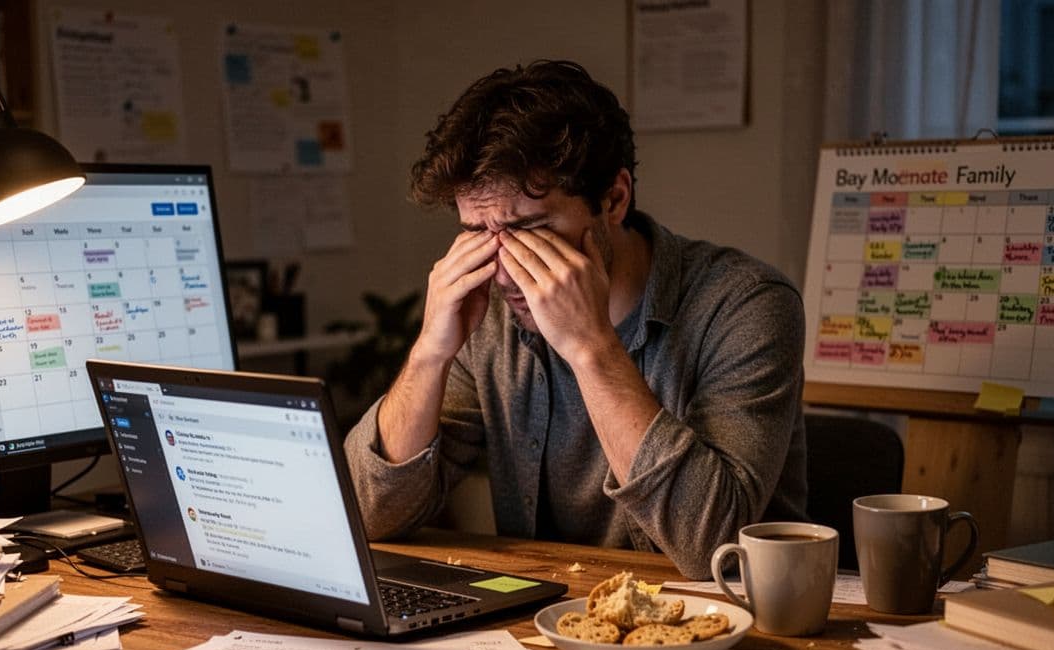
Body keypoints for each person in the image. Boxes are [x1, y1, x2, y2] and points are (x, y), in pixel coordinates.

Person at [343, 60, 807, 579]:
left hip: (726, 631)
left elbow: (712, 547)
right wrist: (430, 352)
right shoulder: (488, 315)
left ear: (614, 199)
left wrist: (591, 346)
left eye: (530, 230)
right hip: (549, 623)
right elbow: (368, 514)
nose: (502, 270)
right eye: (478, 233)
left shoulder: (748, 304)